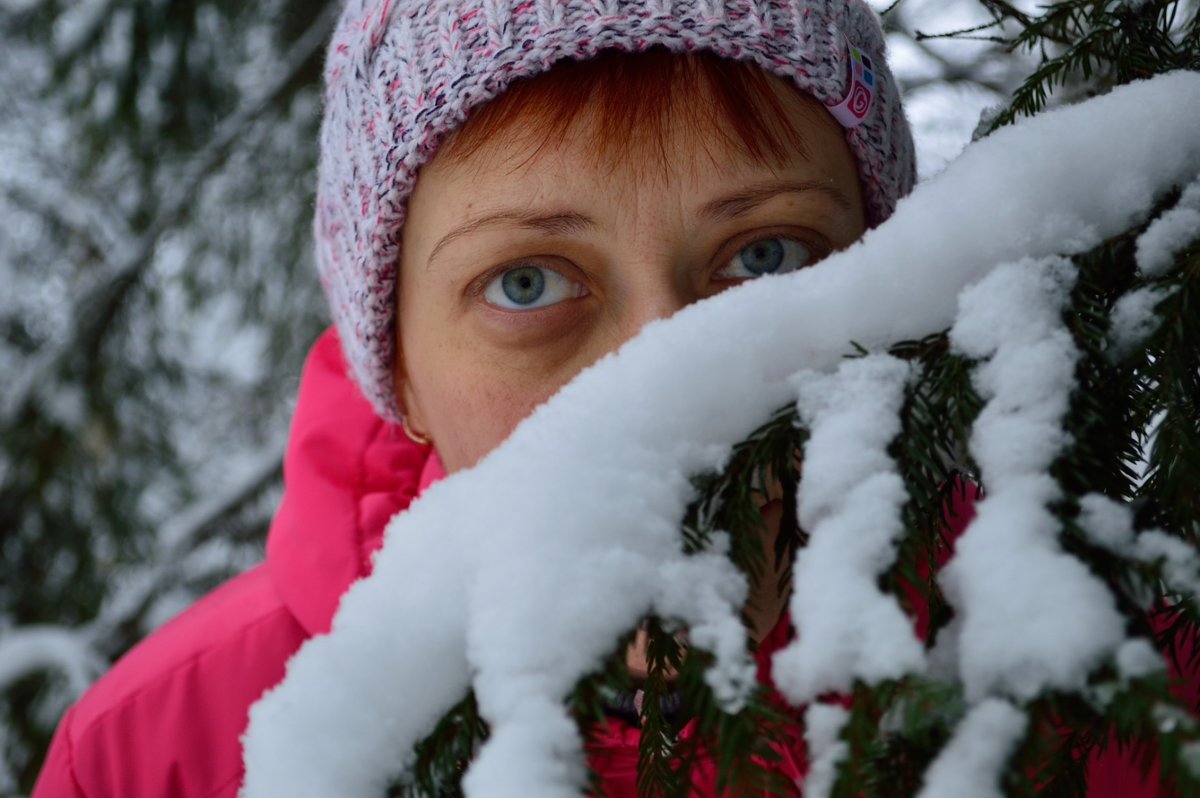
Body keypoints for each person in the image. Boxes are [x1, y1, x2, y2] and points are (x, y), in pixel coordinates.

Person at [29, 1, 1170, 796]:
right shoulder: (156, 759)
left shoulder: (1139, 692)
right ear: (402, 373)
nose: (664, 383)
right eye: (527, 283)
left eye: (763, 258)